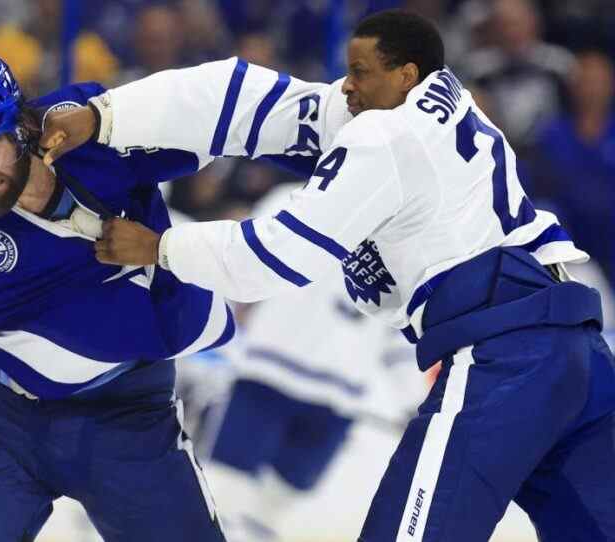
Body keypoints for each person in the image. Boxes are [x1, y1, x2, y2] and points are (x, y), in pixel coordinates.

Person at [41, 9, 615, 541]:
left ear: (405, 74)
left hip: (504, 357)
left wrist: (160, 247)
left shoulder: (383, 135)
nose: (346, 86)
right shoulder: (442, 98)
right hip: (578, 349)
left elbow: (274, 258)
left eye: (360, 73)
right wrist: (108, 115)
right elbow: (245, 103)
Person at [0, 52, 235, 542]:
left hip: (130, 417)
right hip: (3, 427)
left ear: (20, 130)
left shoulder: (92, 130)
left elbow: (218, 124)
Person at [191, 183, 423, 542]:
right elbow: (239, 265)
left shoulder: (410, 240)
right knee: (226, 493)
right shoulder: (292, 197)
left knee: (276, 505)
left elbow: (400, 336)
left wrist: (413, 403)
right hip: (267, 375)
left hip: (336, 397)